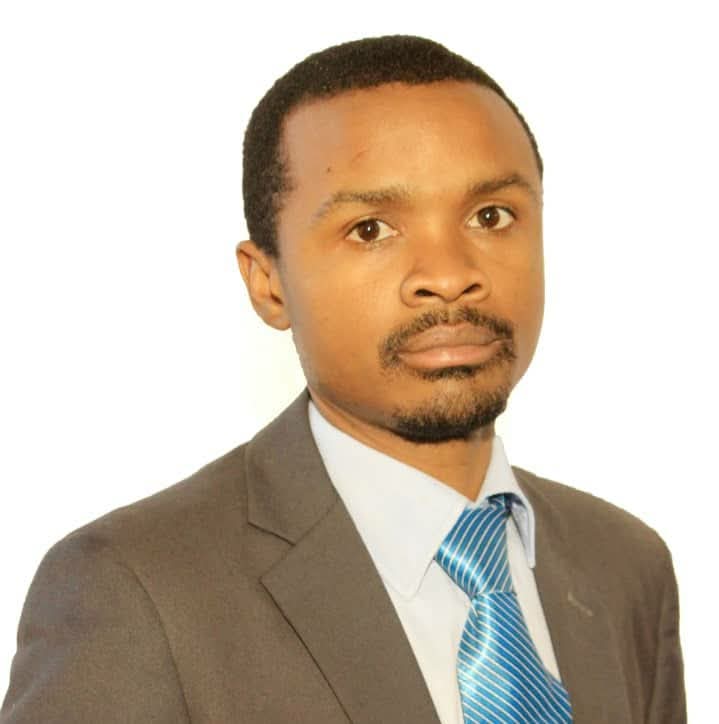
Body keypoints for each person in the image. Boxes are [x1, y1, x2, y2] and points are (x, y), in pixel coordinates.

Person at [0, 35, 685, 724]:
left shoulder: (625, 565)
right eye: (370, 229)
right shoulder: (134, 589)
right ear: (268, 283)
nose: (448, 275)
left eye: (490, 216)